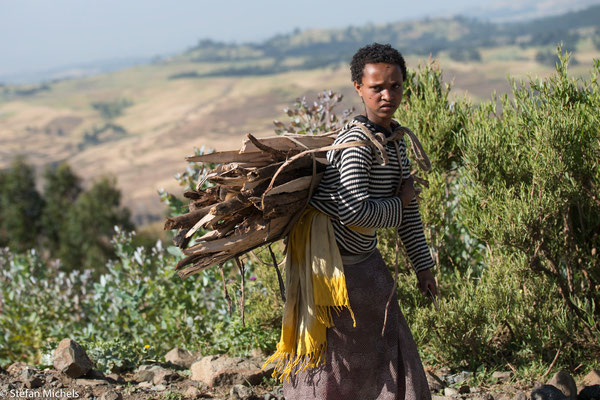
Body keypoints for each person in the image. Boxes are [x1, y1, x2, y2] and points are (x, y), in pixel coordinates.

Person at [266, 43, 438, 400]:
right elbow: (354, 211)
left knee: (387, 330)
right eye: (377, 87)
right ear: (359, 87)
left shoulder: (395, 142)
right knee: (334, 350)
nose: (387, 94)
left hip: (362, 254)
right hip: (329, 262)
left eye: (395, 86)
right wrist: (400, 202)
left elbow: (408, 214)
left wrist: (424, 267)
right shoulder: (357, 144)